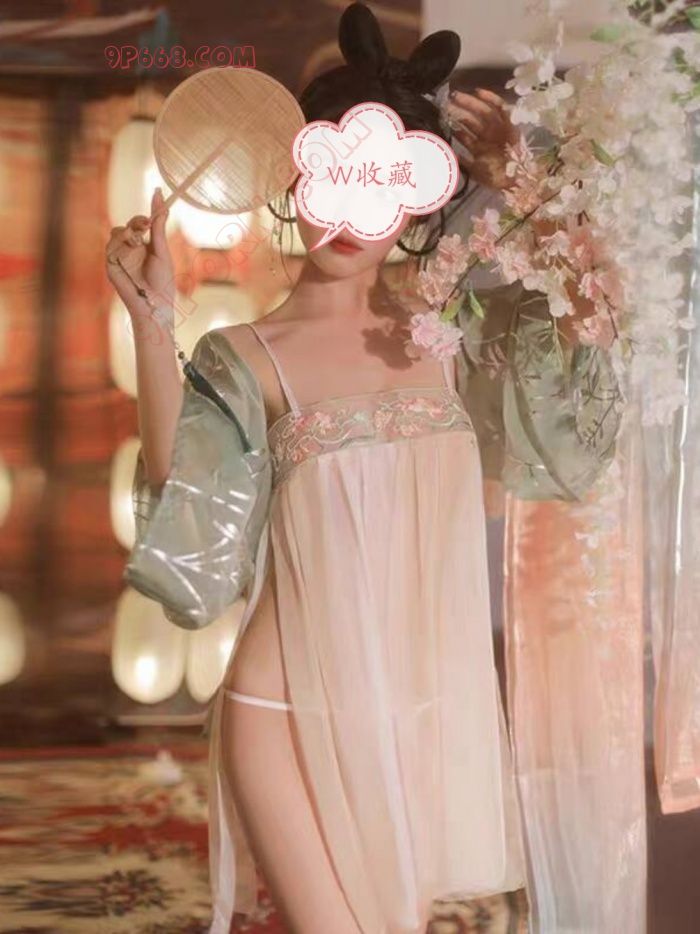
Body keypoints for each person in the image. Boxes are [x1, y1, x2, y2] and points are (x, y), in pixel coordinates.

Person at [107, 5, 620, 932]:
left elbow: (574, 410)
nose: (351, 211)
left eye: (383, 178)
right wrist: (152, 326)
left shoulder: (452, 336)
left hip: (418, 712)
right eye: (332, 175)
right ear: (294, 178)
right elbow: (189, 501)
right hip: (283, 708)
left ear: (418, 194)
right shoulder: (247, 353)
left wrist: (531, 192)